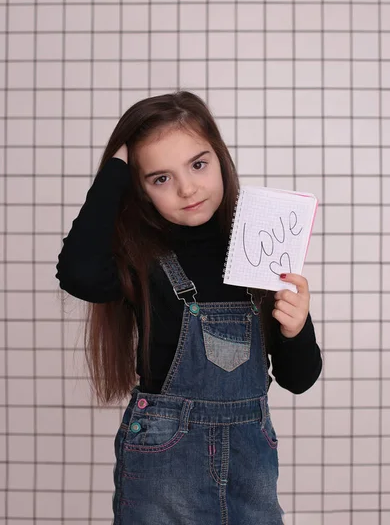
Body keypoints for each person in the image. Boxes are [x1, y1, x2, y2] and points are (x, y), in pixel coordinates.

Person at [55, 90, 322, 525]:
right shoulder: (143, 260)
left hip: (250, 469)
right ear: (138, 189)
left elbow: (299, 379)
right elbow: (77, 273)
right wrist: (116, 169)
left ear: (220, 157)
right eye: (160, 178)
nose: (187, 188)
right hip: (164, 464)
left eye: (198, 164)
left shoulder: (260, 250)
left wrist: (297, 328)